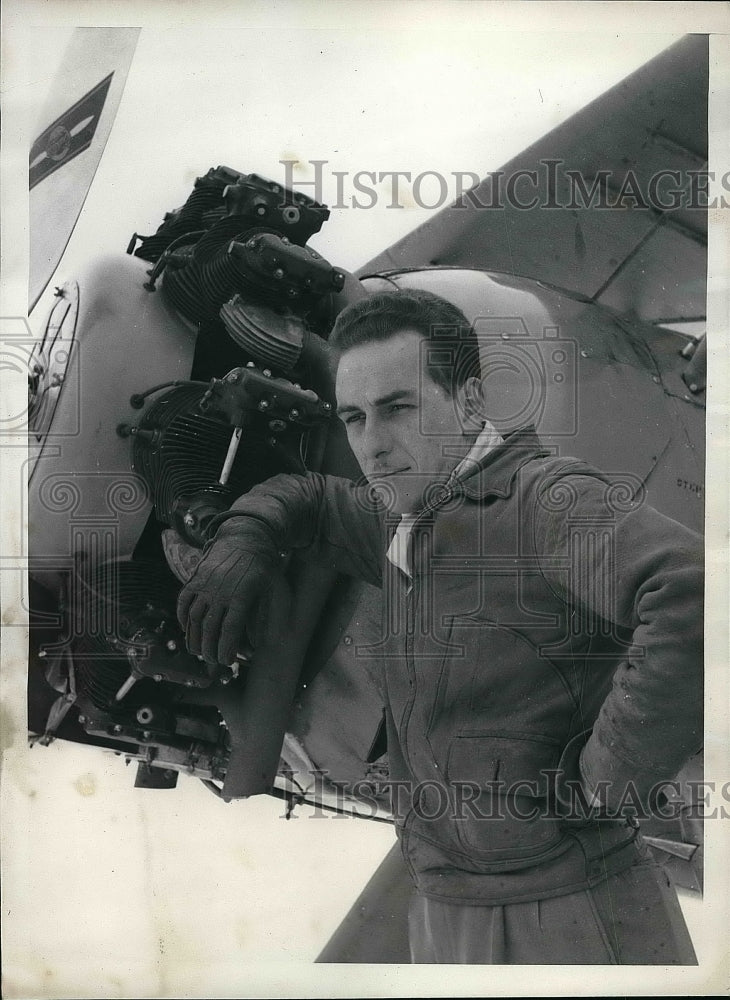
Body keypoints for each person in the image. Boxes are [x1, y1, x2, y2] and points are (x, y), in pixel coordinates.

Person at [178, 289, 703, 964]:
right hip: (443, 908)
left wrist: (610, 781)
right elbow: (309, 498)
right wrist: (244, 536)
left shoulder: (542, 499)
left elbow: (690, 590)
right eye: (354, 418)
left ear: (472, 402)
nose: (372, 444)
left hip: (572, 912)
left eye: (399, 409)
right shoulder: (407, 516)